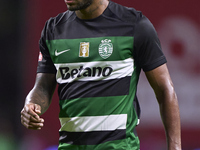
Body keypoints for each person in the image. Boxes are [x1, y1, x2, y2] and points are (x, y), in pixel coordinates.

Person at [20, 0, 182, 149]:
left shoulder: (135, 25)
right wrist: (31, 105)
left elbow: (165, 90)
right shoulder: (53, 29)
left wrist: (175, 147)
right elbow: (42, 88)